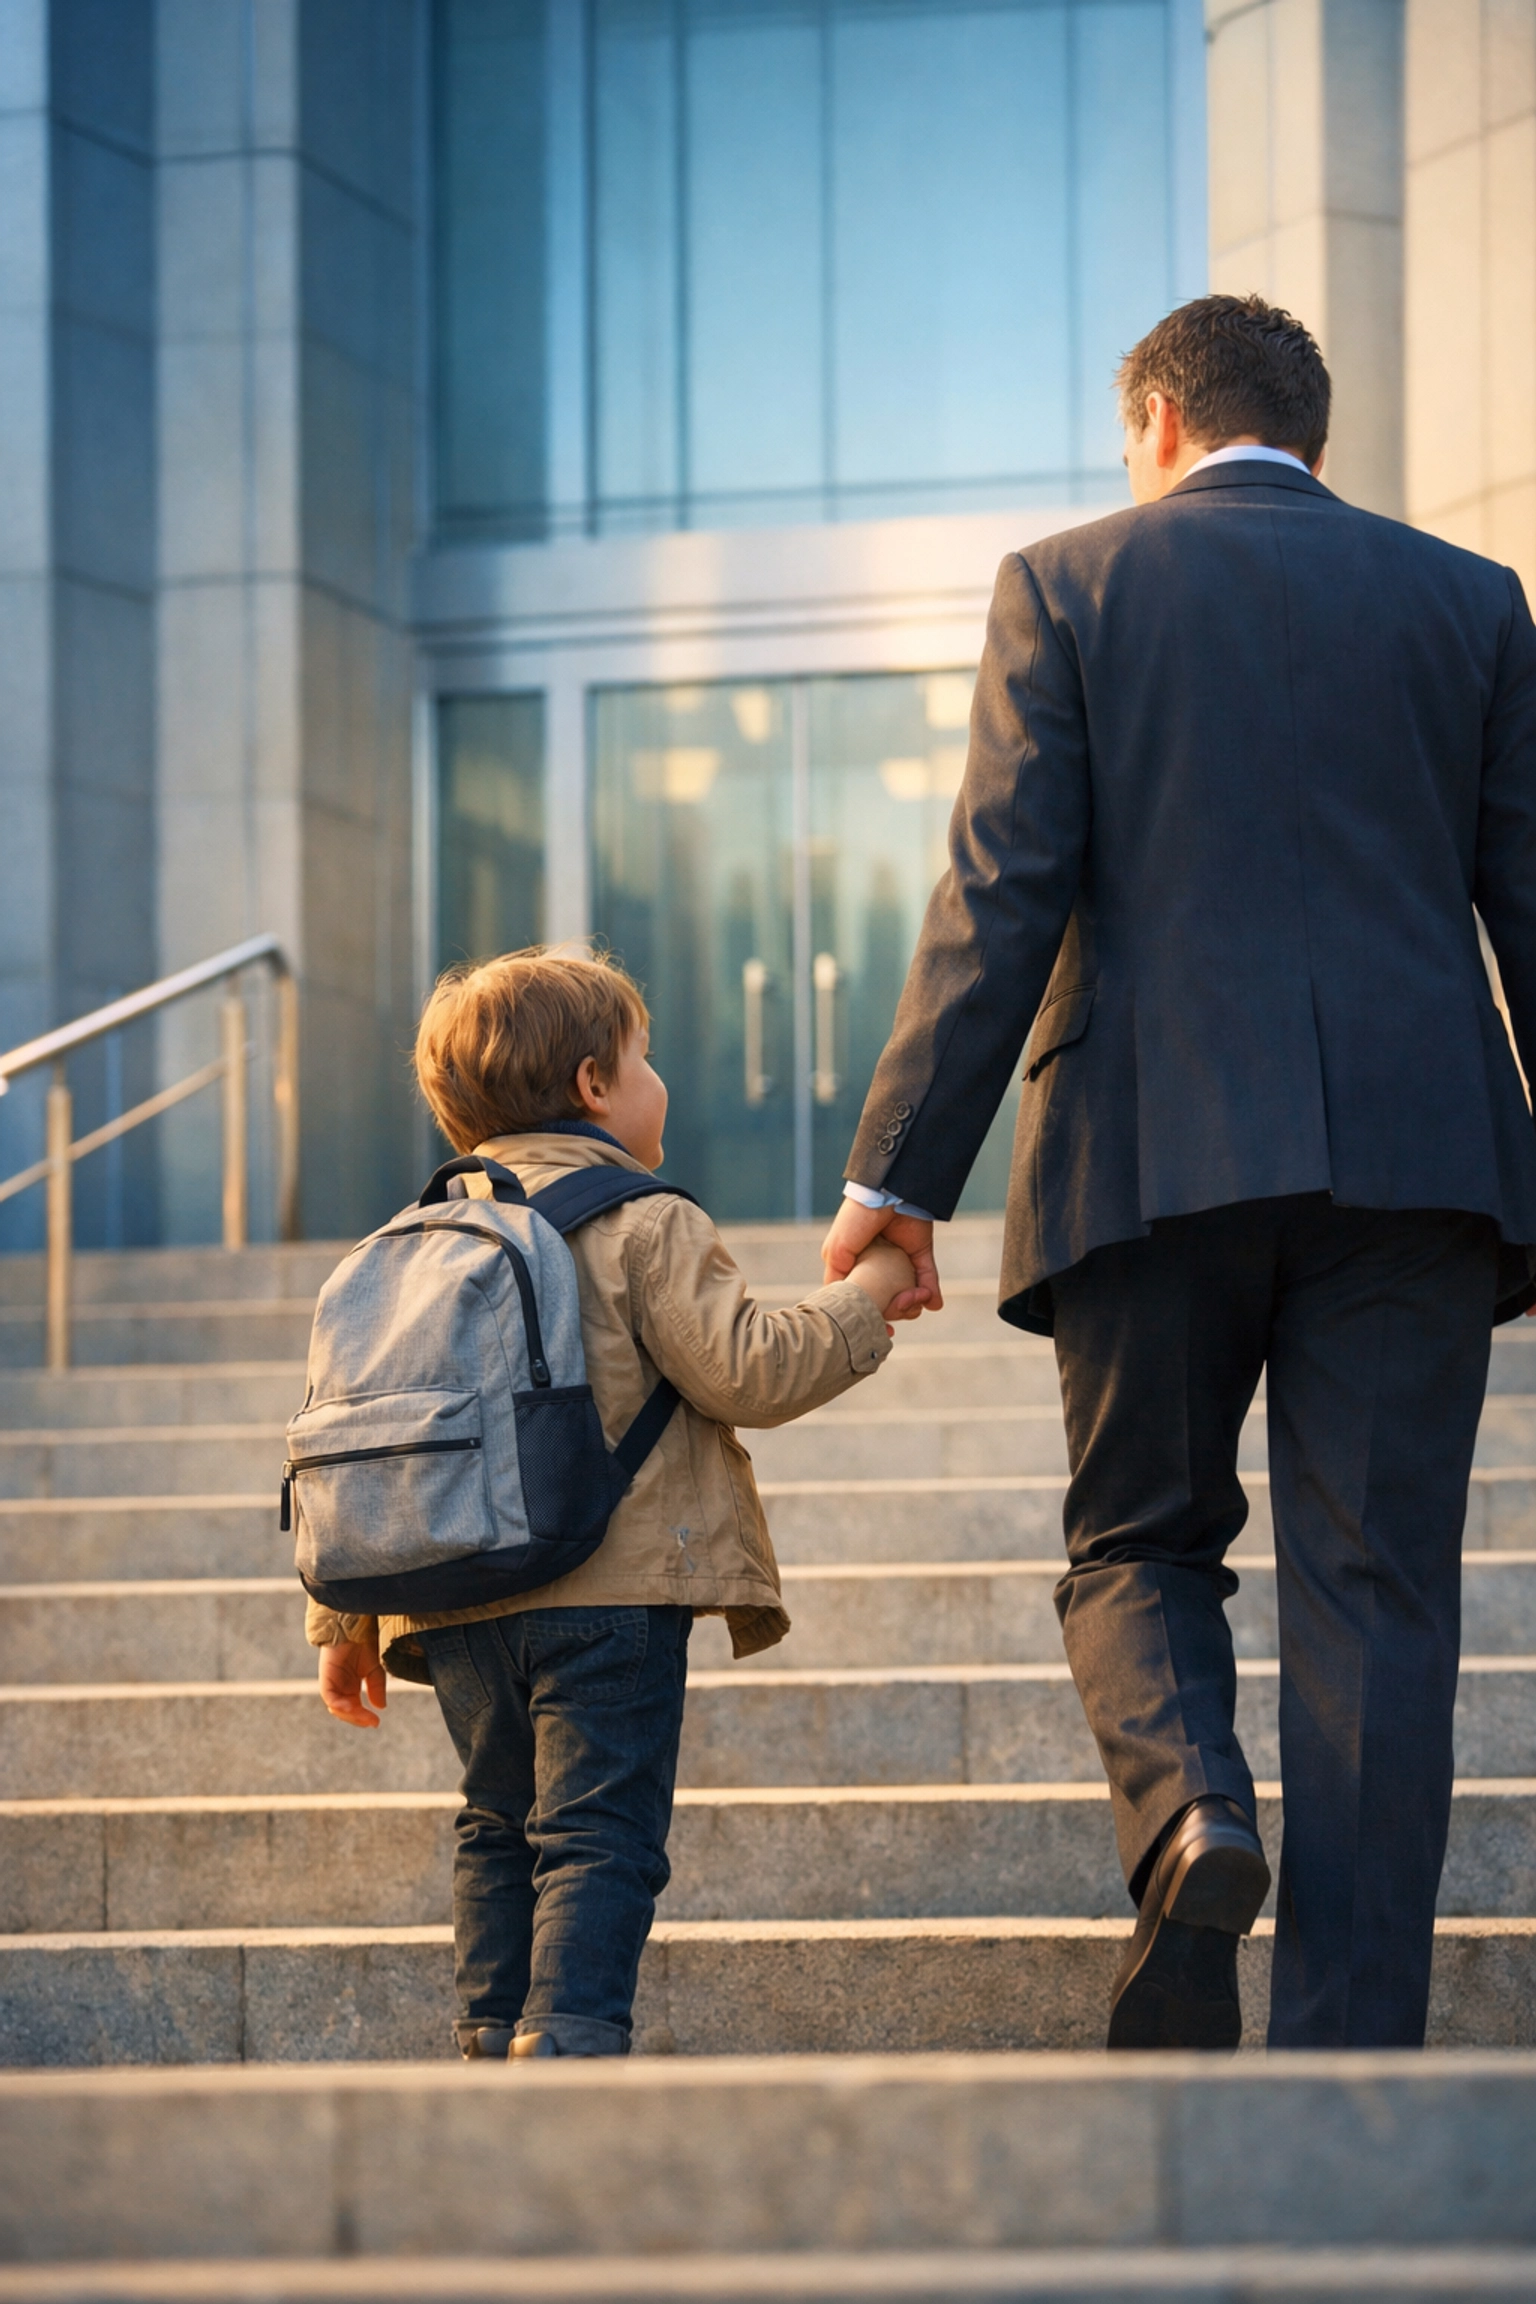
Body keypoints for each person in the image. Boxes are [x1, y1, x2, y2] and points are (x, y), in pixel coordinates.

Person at [822, 293, 1536, 2051]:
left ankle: (1191, 1812)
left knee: (1138, 1532)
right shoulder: (1471, 602)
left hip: (1151, 1149)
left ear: (1152, 422)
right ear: (1317, 437)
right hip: (1417, 1162)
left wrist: (899, 1175)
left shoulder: (1067, 583)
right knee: (1379, 1592)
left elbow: (1001, 893)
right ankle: (1351, 2037)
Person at [309, 948, 918, 2059]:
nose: (657, 1080)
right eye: (645, 1058)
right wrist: (865, 1297)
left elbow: (364, 1443)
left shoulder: (401, 1251)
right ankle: (574, 2037)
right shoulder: (643, 1222)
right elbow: (750, 1371)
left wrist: (343, 1623)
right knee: (600, 1833)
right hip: (615, 1592)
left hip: (451, 1603)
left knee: (497, 1827)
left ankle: (492, 2039)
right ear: (595, 1085)